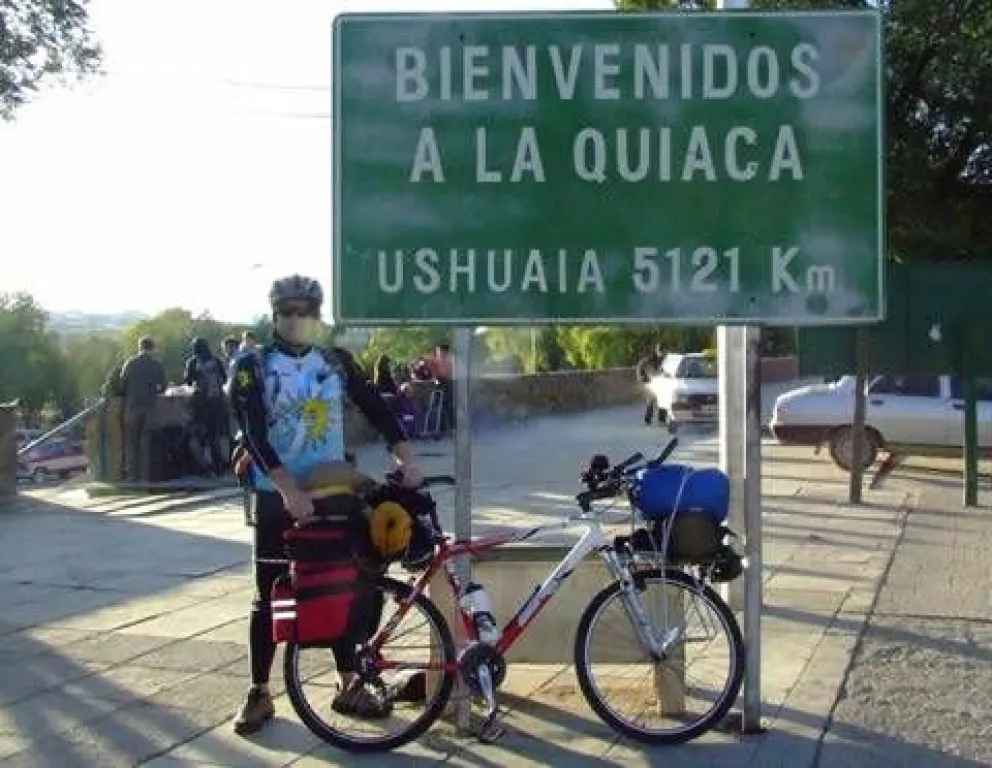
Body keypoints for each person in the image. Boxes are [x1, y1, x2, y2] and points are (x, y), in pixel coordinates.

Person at [229, 274, 424, 736]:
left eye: (306, 312)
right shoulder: (253, 364)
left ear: (317, 317)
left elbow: (377, 407)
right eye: (287, 312)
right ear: (275, 315)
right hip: (277, 494)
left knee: (344, 584)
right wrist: (286, 490)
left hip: (333, 490)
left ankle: (348, 680)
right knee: (271, 593)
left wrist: (406, 457)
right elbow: (252, 430)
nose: (296, 320)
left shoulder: (335, 362)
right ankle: (260, 690)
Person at [120, 337, 166, 481]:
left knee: (131, 442)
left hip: (132, 406)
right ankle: (145, 475)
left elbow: (122, 383)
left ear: (140, 347)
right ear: (153, 348)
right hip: (150, 407)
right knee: (146, 442)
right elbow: (163, 386)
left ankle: (132, 475)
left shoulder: (130, 363)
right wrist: (153, 390)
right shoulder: (157, 364)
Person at [184, 338, 229, 476]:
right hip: (218, 402)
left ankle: (207, 467)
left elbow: (188, 381)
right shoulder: (217, 360)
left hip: (201, 403)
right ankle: (222, 465)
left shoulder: (193, 362)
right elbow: (225, 379)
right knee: (219, 434)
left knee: (202, 436)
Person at [635, 344, 664, 426]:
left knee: (661, 399)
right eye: (660, 351)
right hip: (647, 381)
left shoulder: (661, 359)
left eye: (662, 352)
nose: (662, 353)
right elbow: (648, 370)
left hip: (656, 381)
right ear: (656, 350)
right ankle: (648, 418)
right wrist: (644, 379)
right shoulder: (649, 360)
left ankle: (661, 418)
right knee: (651, 400)